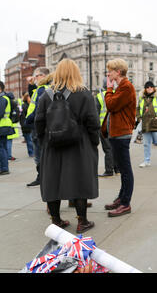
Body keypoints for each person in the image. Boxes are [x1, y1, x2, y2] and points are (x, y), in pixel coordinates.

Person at [35, 59, 100, 233]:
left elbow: (38, 121)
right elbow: (93, 122)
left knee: (52, 181)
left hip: (52, 144)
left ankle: (56, 221)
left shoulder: (46, 95)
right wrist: (94, 141)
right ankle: (82, 221)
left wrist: (45, 142)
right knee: (79, 180)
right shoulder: (84, 94)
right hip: (79, 144)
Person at [102, 59, 137, 218]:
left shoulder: (126, 87)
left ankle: (125, 203)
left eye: (110, 71)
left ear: (118, 71)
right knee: (122, 169)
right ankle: (121, 198)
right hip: (116, 133)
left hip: (122, 134)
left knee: (125, 169)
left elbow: (111, 105)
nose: (108, 73)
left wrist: (109, 89)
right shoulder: (121, 87)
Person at [25, 67, 51, 187]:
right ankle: (43, 176)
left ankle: (41, 177)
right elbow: (32, 97)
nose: (35, 78)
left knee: (39, 155)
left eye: (37, 75)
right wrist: (31, 85)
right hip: (41, 125)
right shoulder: (42, 89)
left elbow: (38, 110)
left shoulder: (42, 89)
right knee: (40, 153)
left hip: (37, 126)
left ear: (44, 76)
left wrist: (28, 120)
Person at [137, 81, 157, 168]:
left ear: (153, 88)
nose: (149, 89)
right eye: (147, 87)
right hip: (145, 123)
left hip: (156, 123)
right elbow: (138, 108)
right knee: (146, 144)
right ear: (145, 89)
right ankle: (146, 160)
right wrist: (139, 118)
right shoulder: (141, 98)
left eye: (151, 87)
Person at [96, 82, 119, 177]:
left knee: (108, 148)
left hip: (104, 126)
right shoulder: (118, 94)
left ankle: (109, 170)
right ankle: (117, 169)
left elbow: (95, 112)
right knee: (115, 148)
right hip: (116, 126)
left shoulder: (99, 96)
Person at [0, 80, 13, 176]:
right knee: (2, 148)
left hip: (0, 126)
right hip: (2, 126)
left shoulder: (1, 99)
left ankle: (4, 168)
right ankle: (2, 166)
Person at [5, 91, 19, 161]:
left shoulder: (6, 102)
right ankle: (9, 155)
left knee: (6, 141)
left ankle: (7, 155)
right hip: (11, 124)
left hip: (6, 123)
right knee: (9, 142)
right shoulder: (13, 103)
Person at [20, 92, 34, 157]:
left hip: (31, 125)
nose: (31, 98)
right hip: (26, 125)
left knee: (31, 140)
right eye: (29, 97)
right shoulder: (24, 106)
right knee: (29, 140)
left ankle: (33, 152)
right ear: (26, 98)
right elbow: (23, 117)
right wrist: (24, 124)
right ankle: (31, 153)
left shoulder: (31, 105)